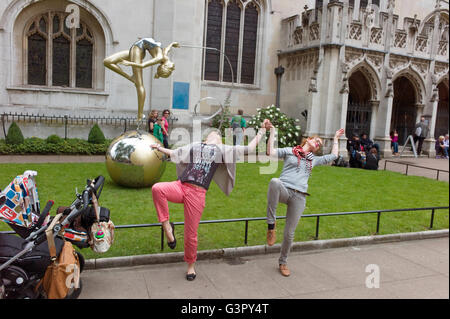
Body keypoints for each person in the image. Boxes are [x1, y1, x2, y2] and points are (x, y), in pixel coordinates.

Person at [150, 120, 270, 281]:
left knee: (190, 234)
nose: (217, 135)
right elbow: (174, 153)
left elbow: (249, 149)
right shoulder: (196, 145)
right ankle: (167, 227)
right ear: (206, 138)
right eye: (214, 134)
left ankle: (190, 265)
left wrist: (262, 130)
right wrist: (159, 148)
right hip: (181, 186)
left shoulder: (223, 150)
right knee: (157, 188)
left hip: (197, 194)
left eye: (219, 136)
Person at [265, 125, 345, 277]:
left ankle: (283, 262)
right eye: (317, 141)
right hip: (284, 189)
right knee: (274, 181)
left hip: (299, 196)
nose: (318, 144)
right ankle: (271, 225)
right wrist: (273, 131)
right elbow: (271, 151)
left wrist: (335, 138)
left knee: (289, 234)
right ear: (308, 139)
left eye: (319, 145)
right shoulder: (290, 151)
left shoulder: (313, 160)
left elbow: (333, 156)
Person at [104, 38, 179, 121]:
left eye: (171, 68)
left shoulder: (160, 58)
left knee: (140, 85)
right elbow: (167, 49)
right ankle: (130, 77)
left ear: (165, 66)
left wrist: (129, 63)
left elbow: (143, 65)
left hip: (138, 50)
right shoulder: (164, 57)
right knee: (107, 61)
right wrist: (172, 44)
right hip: (137, 49)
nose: (173, 68)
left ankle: (140, 114)